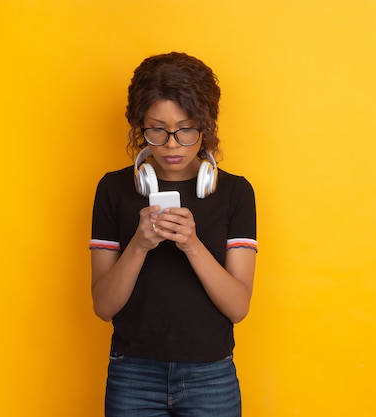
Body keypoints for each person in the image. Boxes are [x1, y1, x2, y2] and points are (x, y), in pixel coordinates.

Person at [89, 52, 257, 417]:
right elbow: (103, 306)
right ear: (139, 127)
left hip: (211, 374)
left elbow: (238, 307)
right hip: (132, 373)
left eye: (186, 129)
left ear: (206, 126)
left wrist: (192, 245)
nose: (170, 144)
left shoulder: (236, 193)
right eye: (156, 130)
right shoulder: (114, 189)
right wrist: (138, 244)